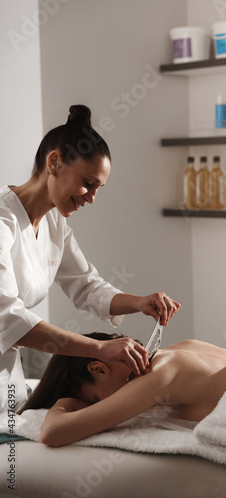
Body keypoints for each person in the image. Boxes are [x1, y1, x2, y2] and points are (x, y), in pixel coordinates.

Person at [0, 105, 180, 414]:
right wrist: (99, 348)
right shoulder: (4, 222)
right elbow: (6, 316)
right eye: (88, 183)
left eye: (98, 188)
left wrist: (140, 303)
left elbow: (87, 286)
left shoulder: (54, 224)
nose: (91, 197)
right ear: (54, 162)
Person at [19, 332, 226, 447]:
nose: (96, 406)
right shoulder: (183, 347)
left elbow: (53, 433)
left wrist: (65, 403)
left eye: (94, 399)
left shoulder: (158, 376)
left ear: (98, 369)